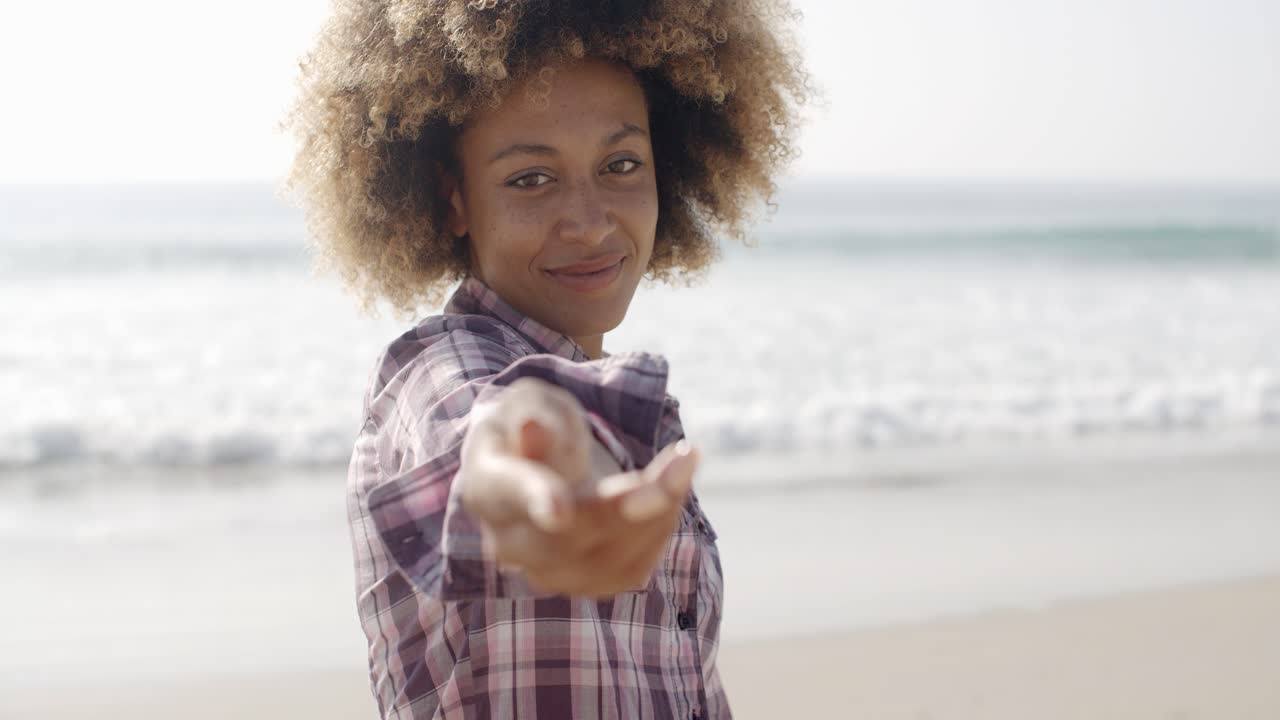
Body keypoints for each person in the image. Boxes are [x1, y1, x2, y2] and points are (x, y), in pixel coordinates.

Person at [282, 1, 809, 717]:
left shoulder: (615, 405)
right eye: (531, 178)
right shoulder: (438, 368)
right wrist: (527, 477)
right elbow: (485, 427)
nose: (590, 221)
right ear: (455, 199)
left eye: (621, 164)